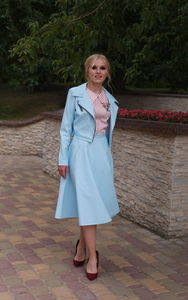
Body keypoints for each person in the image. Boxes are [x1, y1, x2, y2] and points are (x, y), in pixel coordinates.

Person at [55, 54, 120, 280]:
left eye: (102, 68)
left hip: (101, 154)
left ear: (107, 72)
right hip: (80, 152)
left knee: (90, 203)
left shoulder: (110, 99)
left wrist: (108, 158)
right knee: (88, 202)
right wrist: (63, 159)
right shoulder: (75, 94)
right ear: (87, 71)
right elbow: (65, 129)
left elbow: (107, 131)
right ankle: (93, 257)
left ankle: (81, 248)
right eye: (94, 67)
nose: (98, 71)